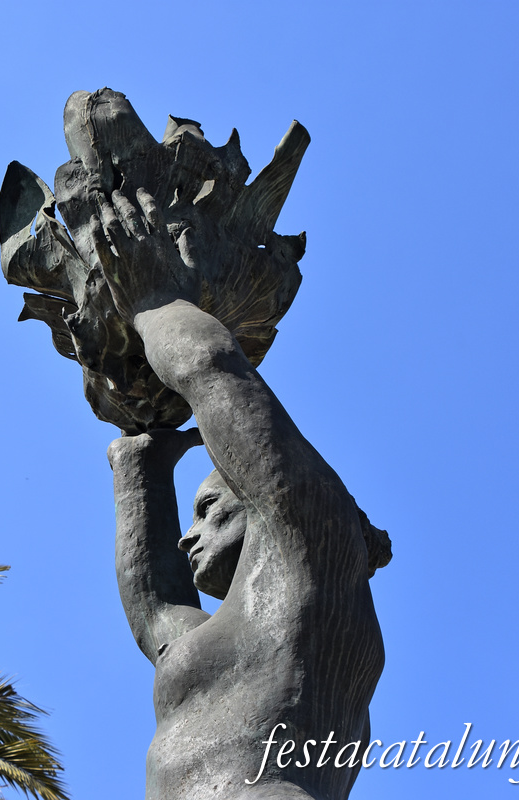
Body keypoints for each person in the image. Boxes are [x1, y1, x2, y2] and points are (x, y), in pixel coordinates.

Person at [94, 187, 390, 800]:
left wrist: (153, 297)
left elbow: (214, 372)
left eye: (208, 510)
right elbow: (152, 609)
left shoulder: (317, 556)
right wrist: (140, 459)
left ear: (260, 506)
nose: (187, 534)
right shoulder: (218, 640)